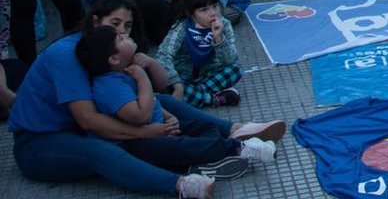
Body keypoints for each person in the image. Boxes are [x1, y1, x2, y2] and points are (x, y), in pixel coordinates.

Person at [7, 0, 276, 198]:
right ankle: (181, 185)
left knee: (164, 103)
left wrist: (158, 100)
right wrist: (149, 131)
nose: (121, 31)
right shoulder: (68, 55)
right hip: (39, 144)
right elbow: (88, 120)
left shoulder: (107, 52)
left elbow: (157, 89)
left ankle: (235, 130)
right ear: (95, 21)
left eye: (126, 26)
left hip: (81, 128)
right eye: (114, 23)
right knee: (101, 150)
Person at [76, 24, 275, 180]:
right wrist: (142, 79)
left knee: (206, 129)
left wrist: (169, 116)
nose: (126, 35)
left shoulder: (125, 71)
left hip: (161, 127)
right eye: (120, 38)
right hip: (141, 142)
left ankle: (201, 166)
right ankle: (238, 148)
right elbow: (140, 115)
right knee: (184, 146)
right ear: (113, 59)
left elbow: (154, 99)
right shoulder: (110, 86)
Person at [157, 0, 242, 108]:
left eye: (215, 6)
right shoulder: (182, 27)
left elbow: (229, 60)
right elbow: (163, 55)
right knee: (164, 84)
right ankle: (212, 99)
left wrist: (219, 39)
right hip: (183, 76)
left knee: (236, 69)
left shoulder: (224, 24)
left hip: (209, 74)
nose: (213, 13)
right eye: (204, 10)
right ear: (190, 13)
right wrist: (176, 82)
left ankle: (198, 97)